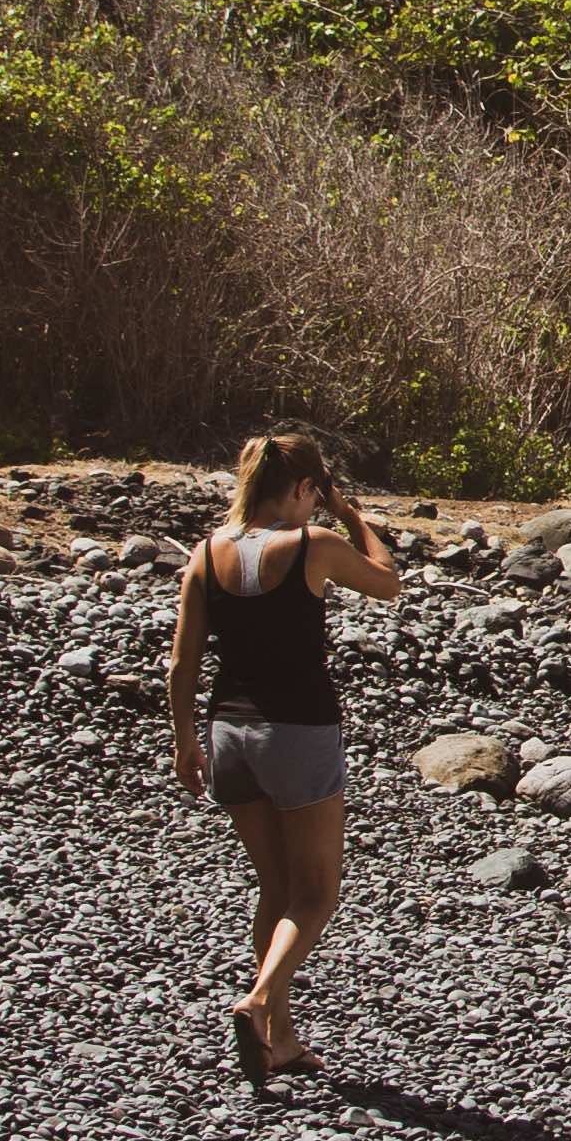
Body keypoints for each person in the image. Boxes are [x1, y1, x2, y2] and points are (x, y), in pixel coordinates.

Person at [168, 429, 399, 1082]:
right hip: (296, 732)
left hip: (227, 735)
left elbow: (184, 661)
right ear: (302, 490)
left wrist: (184, 739)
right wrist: (352, 516)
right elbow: (387, 582)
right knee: (317, 895)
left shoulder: (205, 553)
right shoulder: (312, 545)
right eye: (312, 495)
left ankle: (283, 1039)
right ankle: (259, 1000)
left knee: (275, 889)